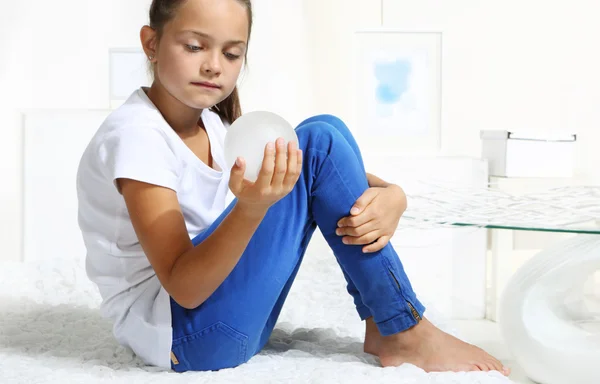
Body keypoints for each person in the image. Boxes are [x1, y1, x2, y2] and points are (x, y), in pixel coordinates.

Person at [76, 0, 509, 376]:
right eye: (194, 47)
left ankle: (385, 321)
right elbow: (184, 288)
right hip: (186, 338)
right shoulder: (137, 137)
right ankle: (402, 326)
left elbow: (324, 175)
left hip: (224, 322)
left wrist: (393, 194)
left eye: (231, 54)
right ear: (151, 43)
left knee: (325, 130)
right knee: (317, 141)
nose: (214, 65)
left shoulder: (211, 122)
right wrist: (250, 209)